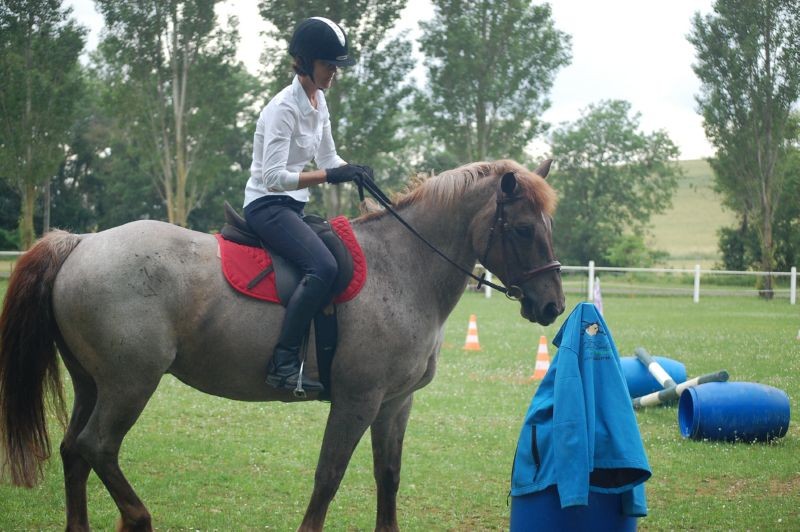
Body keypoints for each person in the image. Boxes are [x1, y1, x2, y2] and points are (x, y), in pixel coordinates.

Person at [243, 17, 372, 392]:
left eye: (336, 65)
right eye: (328, 64)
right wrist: (329, 176)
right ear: (305, 62)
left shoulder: (319, 101)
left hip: (292, 207)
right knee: (322, 266)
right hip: (267, 206)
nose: (334, 72)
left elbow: (329, 158)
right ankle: (283, 362)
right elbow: (273, 177)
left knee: (341, 254)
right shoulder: (283, 108)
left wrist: (354, 171)